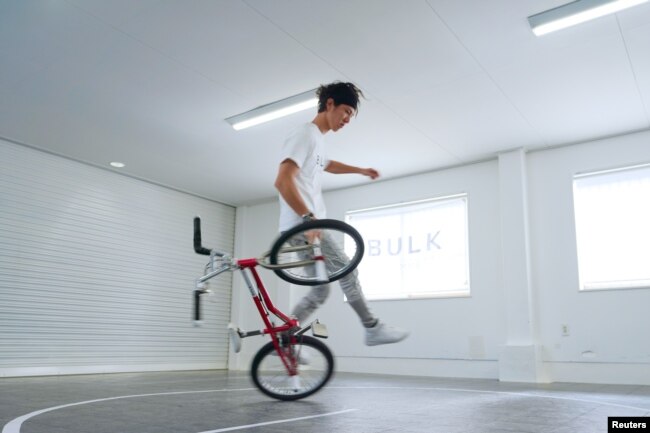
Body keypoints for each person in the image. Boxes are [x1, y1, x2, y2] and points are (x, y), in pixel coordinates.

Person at [274, 81, 409, 346]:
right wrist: (307, 218)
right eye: (346, 111)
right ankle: (372, 327)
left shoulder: (318, 141)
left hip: (303, 227)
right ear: (330, 103)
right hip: (303, 226)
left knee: (321, 290)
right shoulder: (306, 134)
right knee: (347, 271)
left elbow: (329, 165)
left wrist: (361, 170)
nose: (347, 119)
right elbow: (282, 180)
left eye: (351, 115)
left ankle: (285, 335)